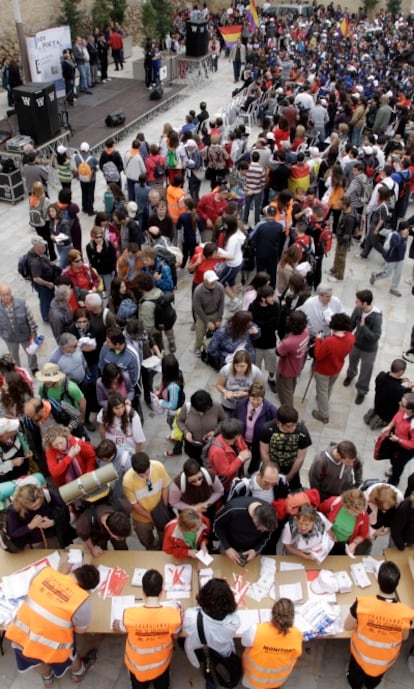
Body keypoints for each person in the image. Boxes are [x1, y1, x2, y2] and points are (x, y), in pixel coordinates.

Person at [6, 564, 99, 689]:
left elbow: (33, 589)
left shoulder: (44, 572)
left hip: (21, 636)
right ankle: (78, 674)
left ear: (74, 570)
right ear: (86, 589)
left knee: (33, 659)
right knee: (70, 657)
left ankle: (48, 680)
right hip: (53, 646)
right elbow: (80, 630)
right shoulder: (83, 600)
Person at [344, 562, 414, 689]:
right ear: (397, 584)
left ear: (377, 580)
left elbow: (347, 627)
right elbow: (404, 637)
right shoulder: (406, 613)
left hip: (360, 657)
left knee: (355, 679)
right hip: (384, 662)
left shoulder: (362, 604)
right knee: (373, 680)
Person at [112, 569, 182, 689]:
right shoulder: (174, 615)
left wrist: (116, 623)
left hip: (137, 666)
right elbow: (175, 635)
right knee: (162, 684)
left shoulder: (129, 614)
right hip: (161, 664)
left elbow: (119, 628)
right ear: (161, 591)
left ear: (143, 592)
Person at [183, 578, 240, 689]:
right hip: (221, 654)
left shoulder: (191, 617)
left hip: (199, 655)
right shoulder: (233, 622)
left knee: (209, 673)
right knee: (216, 673)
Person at [242, 598, 302, 689]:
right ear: (292, 616)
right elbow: (296, 655)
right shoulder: (296, 634)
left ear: (272, 613)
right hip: (277, 681)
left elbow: (244, 642)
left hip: (254, 680)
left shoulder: (257, 630)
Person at [312, 313, 356, 424]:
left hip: (323, 369)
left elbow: (318, 355)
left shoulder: (330, 341)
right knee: (329, 387)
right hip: (337, 367)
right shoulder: (351, 337)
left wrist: (318, 340)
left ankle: (323, 414)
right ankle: (324, 401)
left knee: (322, 390)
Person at [122, 451, 171, 550]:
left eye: (147, 473)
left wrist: (164, 508)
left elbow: (165, 487)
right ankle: (152, 548)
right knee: (145, 538)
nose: (145, 477)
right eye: (141, 475)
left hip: (160, 510)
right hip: (141, 516)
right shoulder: (128, 480)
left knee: (165, 535)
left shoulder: (159, 467)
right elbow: (134, 504)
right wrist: (150, 516)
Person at [7, 482, 74, 550]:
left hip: (55, 535)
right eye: (33, 507)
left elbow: (64, 512)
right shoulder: (14, 510)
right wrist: (30, 526)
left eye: (39, 503)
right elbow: (13, 532)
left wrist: (53, 522)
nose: (37, 507)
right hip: (33, 544)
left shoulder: (47, 495)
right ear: (23, 505)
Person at [344, 290, 383, 405]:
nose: (355, 302)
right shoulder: (357, 309)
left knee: (366, 371)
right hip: (356, 344)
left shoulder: (376, 317)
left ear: (365, 303)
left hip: (369, 350)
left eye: (358, 301)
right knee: (352, 363)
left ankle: (361, 390)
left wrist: (363, 327)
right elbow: (351, 325)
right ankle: (350, 375)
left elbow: (376, 337)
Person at [260, 405, 312, 490]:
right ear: (279, 423)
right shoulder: (268, 429)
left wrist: (290, 476)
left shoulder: (302, 432)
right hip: (272, 464)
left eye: (295, 425)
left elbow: (300, 458)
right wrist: (269, 470)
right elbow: (264, 452)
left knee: (294, 491)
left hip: (291, 467)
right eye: (289, 426)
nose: (293, 428)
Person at [213, 496, 278, 564]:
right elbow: (217, 525)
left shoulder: (271, 513)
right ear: (256, 520)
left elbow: (266, 536)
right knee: (225, 567)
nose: (262, 532)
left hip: (251, 548)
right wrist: (227, 547)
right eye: (262, 529)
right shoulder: (233, 510)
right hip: (229, 544)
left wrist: (255, 550)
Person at [233, 382, 277, 474]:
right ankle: (239, 472)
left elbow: (275, 425)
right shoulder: (241, 404)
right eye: (253, 399)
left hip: (260, 441)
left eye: (258, 399)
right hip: (243, 440)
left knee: (256, 459)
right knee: (240, 457)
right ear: (249, 396)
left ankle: (252, 473)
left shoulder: (270, 409)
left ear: (263, 398)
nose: (255, 402)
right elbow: (234, 419)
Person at [0, 283, 39, 374]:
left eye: (7, 294)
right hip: (10, 337)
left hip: (24, 334)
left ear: (11, 293)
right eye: (3, 295)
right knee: (14, 355)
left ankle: (34, 367)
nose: (6, 297)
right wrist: (3, 335)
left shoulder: (21, 303)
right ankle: (18, 370)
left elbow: (30, 318)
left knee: (31, 352)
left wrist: (33, 332)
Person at [365, 359, 413, 430]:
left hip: (378, 404)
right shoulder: (400, 390)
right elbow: (406, 399)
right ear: (401, 372)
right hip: (387, 413)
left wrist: (400, 380)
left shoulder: (381, 375)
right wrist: (409, 389)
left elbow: (389, 383)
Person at [320, 488, 369, 556]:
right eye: (354, 511)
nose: (358, 514)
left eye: (360, 511)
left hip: (344, 544)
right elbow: (320, 514)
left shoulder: (363, 515)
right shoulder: (334, 502)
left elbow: (363, 534)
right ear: (346, 506)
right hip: (326, 539)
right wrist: (329, 530)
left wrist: (354, 543)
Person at [206, 418, 251, 491]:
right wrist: (240, 459)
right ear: (235, 436)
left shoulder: (235, 437)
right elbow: (225, 472)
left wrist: (246, 453)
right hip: (226, 482)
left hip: (236, 473)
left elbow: (244, 447)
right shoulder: (217, 451)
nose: (240, 436)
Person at [276, 311, 310, 407]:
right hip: (297, 365)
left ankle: (287, 412)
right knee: (291, 386)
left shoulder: (288, 342)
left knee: (286, 394)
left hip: (286, 369)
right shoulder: (306, 332)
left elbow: (278, 352)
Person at [380, 393, 414, 487]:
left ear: (411, 410)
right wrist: (389, 426)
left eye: (402, 404)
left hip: (406, 450)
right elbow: (397, 416)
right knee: (393, 458)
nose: (399, 403)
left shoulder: (413, 425)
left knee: (398, 465)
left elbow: (412, 444)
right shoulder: (402, 411)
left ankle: (393, 481)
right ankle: (393, 466)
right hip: (396, 440)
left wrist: (399, 440)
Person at [216, 350, 263, 416]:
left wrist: (246, 393)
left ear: (248, 364)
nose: (238, 369)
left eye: (242, 366)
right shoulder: (226, 369)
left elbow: (260, 389)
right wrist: (225, 391)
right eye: (236, 365)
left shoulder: (256, 372)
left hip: (246, 404)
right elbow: (219, 385)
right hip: (228, 405)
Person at [370, 221, 409, 297]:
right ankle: (375, 276)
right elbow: (398, 246)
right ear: (402, 230)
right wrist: (403, 238)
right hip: (392, 258)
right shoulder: (395, 236)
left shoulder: (406, 236)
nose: (408, 230)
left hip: (400, 258)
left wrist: (404, 237)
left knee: (398, 274)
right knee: (386, 274)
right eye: (406, 229)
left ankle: (393, 288)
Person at [192, 270, 225, 358]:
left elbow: (221, 304)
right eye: (211, 281)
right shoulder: (198, 291)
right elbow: (197, 308)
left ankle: (216, 346)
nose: (214, 283)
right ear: (205, 281)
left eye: (215, 280)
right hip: (202, 315)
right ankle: (197, 348)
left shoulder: (220, 287)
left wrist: (219, 319)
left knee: (218, 332)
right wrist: (207, 322)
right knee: (200, 333)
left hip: (215, 312)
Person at [27, 237, 59, 323]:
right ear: (36, 247)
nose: (45, 247)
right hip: (43, 285)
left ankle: (51, 313)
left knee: (49, 298)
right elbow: (36, 278)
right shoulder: (34, 262)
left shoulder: (40, 254)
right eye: (42, 246)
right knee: (45, 300)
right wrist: (48, 284)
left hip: (48, 282)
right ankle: (46, 317)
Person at [251, 205, 284, 287]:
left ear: (266, 213)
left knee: (260, 271)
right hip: (273, 252)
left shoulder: (261, 225)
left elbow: (252, 238)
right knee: (272, 272)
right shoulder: (280, 226)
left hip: (261, 252)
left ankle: (259, 287)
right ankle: (271, 288)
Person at [328, 195, 358, 282]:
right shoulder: (345, 211)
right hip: (340, 238)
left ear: (345, 205)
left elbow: (347, 234)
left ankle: (339, 275)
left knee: (341, 257)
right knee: (337, 254)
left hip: (343, 241)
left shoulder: (349, 219)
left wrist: (341, 241)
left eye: (340, 204)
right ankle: (334, 269)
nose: (338, 205)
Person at [0, 416, 31, 483]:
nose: (14, 431)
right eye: (9, 435)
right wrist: (12, 463)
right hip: (11, 479)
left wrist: (26, 449)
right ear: (1, 436)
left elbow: (21, 437)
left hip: (25, 469)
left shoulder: (14, 432)